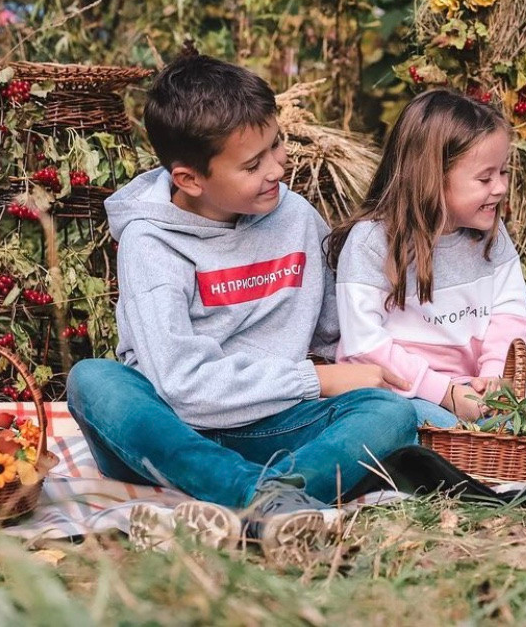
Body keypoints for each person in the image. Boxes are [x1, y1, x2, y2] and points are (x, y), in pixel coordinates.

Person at [66, 54, 419, 555]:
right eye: (253, 165)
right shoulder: (150, 244)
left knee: (390, 413)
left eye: (276, 144)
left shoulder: (295, 216)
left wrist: (433, 383)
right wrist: (315, 380)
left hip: (274, 425)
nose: (277, 167)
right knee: (93, 380)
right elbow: (181, 384)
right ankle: (267, 501)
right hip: (168, 434)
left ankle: (245, 505)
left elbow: (334, 333)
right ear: (190, 179)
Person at [326, 89, 526, 427]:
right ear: (432, 177)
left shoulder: (491, 237)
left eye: (503, 172)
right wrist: (445, 393)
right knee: (438, 426)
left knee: (522, 428)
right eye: (485, 178)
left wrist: (494, 375)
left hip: (469, 390)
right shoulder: (372, 242)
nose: (499, 187)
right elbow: (365, 344)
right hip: (393, 391)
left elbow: (511, 311)